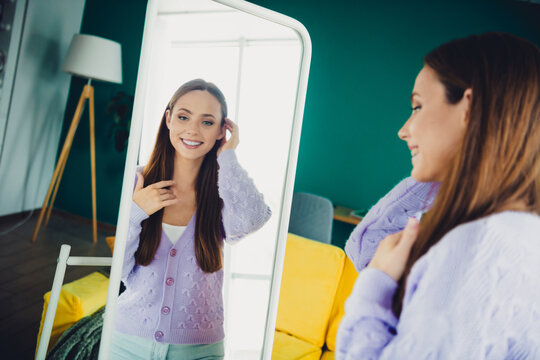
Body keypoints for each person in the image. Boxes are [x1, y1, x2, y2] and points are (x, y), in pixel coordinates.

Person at [336, 32, 540, 359]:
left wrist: (375, 287)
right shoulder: (524, 234)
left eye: (418, 106)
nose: (404, 130)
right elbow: (370, 243)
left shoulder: (475, 249)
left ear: (469, 108)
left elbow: (368, 250)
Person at [110, 79, 271, 359]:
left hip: (199, 349)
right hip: (126, 341)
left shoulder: (225, 192)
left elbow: (253, 219)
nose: (193, 130)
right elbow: (120, 271)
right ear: (169, 119)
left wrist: (228, 157)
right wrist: (137, 211)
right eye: (184, 117)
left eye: (207, 122)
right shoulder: (138, 182)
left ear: (223, 131)